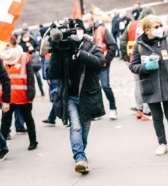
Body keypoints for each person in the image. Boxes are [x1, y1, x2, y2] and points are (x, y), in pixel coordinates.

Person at [48, 19, 105, 174]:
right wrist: (55, 51)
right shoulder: (63, 48)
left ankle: (81, 152)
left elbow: (99, 62)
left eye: (79, 28)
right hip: (70, 97)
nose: (76, 31)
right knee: (76, 127)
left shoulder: (91, 46)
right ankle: (80, 158)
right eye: (73, 29)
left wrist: (79, 53)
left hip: (87, 96)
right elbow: (52, 73)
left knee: (85, 129)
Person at [129, 15, 168, 155]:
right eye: (156, 27)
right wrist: (145, 67)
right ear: (147, 29)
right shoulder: (139, 45)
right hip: (150, 86)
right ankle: (162, 143)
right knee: (157, 117)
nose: (160, 29)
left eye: (160, 26)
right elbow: (133, 66)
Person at [0, 36, 38, 150]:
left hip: (23, 96)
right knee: (5, 122)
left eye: (8, 45)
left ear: (14, 45)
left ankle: (33, 141)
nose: (5, 48)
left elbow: (30, 77)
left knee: (28, 119)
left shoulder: (24, 57)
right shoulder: (1, 59)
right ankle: (1, 146)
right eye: (4, 46)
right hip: (8, 97)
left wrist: (31, 93)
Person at [120, 8, 155, 120]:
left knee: (137, 84)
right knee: (147, 84)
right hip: (147, 58)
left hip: (133, 58)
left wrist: (125, 57)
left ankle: (139, 109)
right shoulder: (151, 24)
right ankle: (147, 110)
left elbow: (122, 41)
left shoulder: (131, 24)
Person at [83, 13, 118, 120]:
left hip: (103, 64)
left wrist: (107, 60)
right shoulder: (84, 33)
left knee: (105, 86)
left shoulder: (102, 30)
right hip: (91, 65)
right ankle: (97, 111)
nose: (84, 23)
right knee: (93, 88)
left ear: (92, 20)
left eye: (86, 21)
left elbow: (112, 45)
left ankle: (113, 108)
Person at [17, 31, 45, 97]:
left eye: (27, 35)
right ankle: (33, 92)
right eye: (24, 35)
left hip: (34, 61)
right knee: (31, 78)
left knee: (38, 76)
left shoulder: (32, 40)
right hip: (27, 62)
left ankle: (41, 90)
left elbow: (37, 47)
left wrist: (33, 49)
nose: (26, 36)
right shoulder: (21, 44)